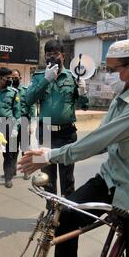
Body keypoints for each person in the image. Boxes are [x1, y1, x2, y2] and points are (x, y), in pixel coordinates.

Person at [19, 39, 129, 257]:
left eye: (111, 70)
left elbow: (98, 140)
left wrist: (48, 155)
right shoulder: (120, 98)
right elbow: (100, 139)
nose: (107, 76)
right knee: (64, 218)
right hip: (109, 180)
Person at [25, 39, 88, 197]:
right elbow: (28, 99)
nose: (52, 57)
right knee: (47, 178)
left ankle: (67, 215)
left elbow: (84, 106)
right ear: (44, 56)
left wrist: (82, 92)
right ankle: (52, 213)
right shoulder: (39, 76)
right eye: (48, 54)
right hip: (44, 131)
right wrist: (46, 79)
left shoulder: (73, 77)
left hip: (66, 133)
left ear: (63, 56)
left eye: (56, 54)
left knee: (67, 178)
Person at [11, 68, 36, 181]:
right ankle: (11, 171)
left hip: (24, 120)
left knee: (25, 148)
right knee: (12, 148)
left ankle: (26, 171)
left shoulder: (26, 91)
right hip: (12, 122)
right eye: (12, 78)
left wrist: (31, 124)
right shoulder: (8, 91)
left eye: (16, 77)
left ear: (20, 78)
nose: (14, 79)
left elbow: (31, 107)